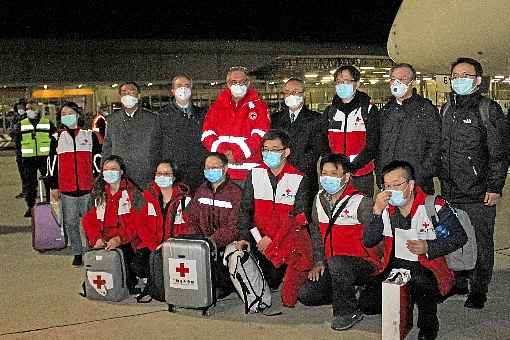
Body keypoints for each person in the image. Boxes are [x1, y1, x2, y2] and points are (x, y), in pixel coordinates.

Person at [364, 161, 467, 340]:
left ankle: (429, 324)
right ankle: (406, 304)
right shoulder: (386, 209)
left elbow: (459, 237)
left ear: (411, 184)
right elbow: (369, 240)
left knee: (421, 284)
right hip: (393, 265)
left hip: (426, 267)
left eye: (397, 184)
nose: (392, 190)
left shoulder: (434, 206)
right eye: (387, 186)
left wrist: (429, 247)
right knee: (367, 304)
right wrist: (376, 212)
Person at [439, 57, 510, 309]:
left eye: (466, 76)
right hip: (451, 190)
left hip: (480, 192)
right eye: (455, 76)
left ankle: (479, 288)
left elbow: (499, 153)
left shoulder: (488, 110)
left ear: (478, 81)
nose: (459, 80)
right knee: (455, 237)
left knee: (481, 241)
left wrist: (494, 186)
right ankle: (459, 280)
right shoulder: (446, 109)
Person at [298, 153, 383, 331]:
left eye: (333, 174)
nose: (327, 178)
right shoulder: (318, 200)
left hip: (362, 264)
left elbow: (377, 239)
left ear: (346, 177)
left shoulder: (362, 202)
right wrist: (319, 261)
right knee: (306, 294)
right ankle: (347, 291)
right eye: (324, 174)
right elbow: (316, 233)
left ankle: (347, 311)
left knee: (339, 264)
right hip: (333, 265)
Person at [236, 129, 313, 307]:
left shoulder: (299, 178)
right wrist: (244, 237)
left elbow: (298, 219)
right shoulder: (254, 174)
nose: (268, 153)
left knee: (280, 283)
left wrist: (273, 240)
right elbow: (246, 210)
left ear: (286, 152)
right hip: (259, 240)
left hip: (284, 242)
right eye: (265, 149)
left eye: (275, 149)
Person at [47, 102, 102, 266]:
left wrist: (98, 181)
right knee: (71, 222)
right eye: (63, 114)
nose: (67, 116)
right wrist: (53, 186)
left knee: (90, 221)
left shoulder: (90, 135)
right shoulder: (56, 138)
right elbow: (51, 164)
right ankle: (77, 251)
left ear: (78, 115)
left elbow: (98, 160)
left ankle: (92, 248)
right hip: (67, 189)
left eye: (70, 113)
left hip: (88, 188)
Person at [377, 63, 441, 194]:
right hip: (389, 182)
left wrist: (421, 174)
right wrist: (380, 174)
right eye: (393, 79)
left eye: (402, 79)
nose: (397, 83)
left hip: (417, 183)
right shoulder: (386, 111)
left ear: (413, 82)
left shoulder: (426, 110)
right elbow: (379, 146)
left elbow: (436, 144)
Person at [201, 66, 270, 185]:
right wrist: (223, 154)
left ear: (248, 83)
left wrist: (236, 154)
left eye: (242, 82)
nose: (238, 85)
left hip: (250, 175)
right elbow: (207, 134)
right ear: (228, 84)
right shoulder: (217, 106)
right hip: (222, 174)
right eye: (234, 82)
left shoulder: (259, 106)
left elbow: (260, 136)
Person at [187, 152, 242, 298]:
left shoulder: (236, 193)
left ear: (225, 169)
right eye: (207, 167)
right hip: (203, 244)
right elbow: (192, 218)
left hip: (223, 246)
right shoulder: (201, 191)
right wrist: (197, 240)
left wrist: (212, 241)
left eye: (215, 167)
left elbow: (234, 226)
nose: (210, 170)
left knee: (216, 288)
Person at [82, 155, 139, 294]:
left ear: (121, 172)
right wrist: (96, 239)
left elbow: (137, 223)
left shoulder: (133, 194)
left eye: (113, 169)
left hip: (127, 242)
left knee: (128, 271)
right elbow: (89, 220)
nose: (109, 172)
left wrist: (119, 239)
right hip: (103, 241)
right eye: (106, 169)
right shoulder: (98, 194)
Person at [271, 77, 328, 208]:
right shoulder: (275, 119)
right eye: (287, 92)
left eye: (296, 91)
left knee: (303, 217)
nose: (291, 95)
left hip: (304, 177)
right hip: (279, 176)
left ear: (304, 93)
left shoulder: (316, 119)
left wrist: (292, 169)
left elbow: (316, 150)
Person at [324, 65, 380, 197]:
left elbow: (373, 144)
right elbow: (322, 139)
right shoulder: (330, 111)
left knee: (361, 211)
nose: (341, 85)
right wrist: (332, 164)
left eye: (346, 81)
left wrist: (352, 166)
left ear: (357, 83)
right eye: (338, 82)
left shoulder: (369, 110)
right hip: (335, 175)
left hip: (361, 174)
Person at [133, 159, 192, 280]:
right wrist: (154, 246)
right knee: (138, 266)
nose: (162, 176)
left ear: (174, 177)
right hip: (152, 246)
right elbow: (140, 224)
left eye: (166, 174)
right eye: (158, 173)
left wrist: (170, 245)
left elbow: (189, 227)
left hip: (176, 247)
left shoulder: (185, 200)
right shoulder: (146, 197)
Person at [101, 82, 163, 191]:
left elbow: (159, 147)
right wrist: (104, 172)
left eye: (132, 91)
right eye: (124, 92)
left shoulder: (152, 118)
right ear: (120, 97)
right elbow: (107, 147)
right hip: (119, 177)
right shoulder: (112, 120)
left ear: (138, 95)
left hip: (145, 177)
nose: (128, 95)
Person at [160, 74, 207, 192]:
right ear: (172, 90)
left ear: (191, 89)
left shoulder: (203, 114)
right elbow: (156, 145)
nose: (183, 88)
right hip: (174, 173)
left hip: (198, 173)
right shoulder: (162, 115)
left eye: (187, 85)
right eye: (179, 85)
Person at [16, 101, 56, 217]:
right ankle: (31, 207)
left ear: (37, 110)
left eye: (30, 108)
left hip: (45, 158)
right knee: (30, 184)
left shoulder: (47, 123)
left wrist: (52, 154)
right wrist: (20, 156)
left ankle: (51, 204)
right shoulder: (21, 124)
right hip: (28, 159)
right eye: (27, 108)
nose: (28, 110)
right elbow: (18, 142)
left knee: (49, 182)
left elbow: (54, 138)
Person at [9, 100, 28, 199]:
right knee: (22, 172)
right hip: (19, 149)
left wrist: (17, 130)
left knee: (28, 172)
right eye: (18, 108)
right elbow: (11, 132)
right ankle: (25, 190)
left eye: (22, 107)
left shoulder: (29, 118)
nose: (20, 110)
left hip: (28, 149)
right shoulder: (15, 118)